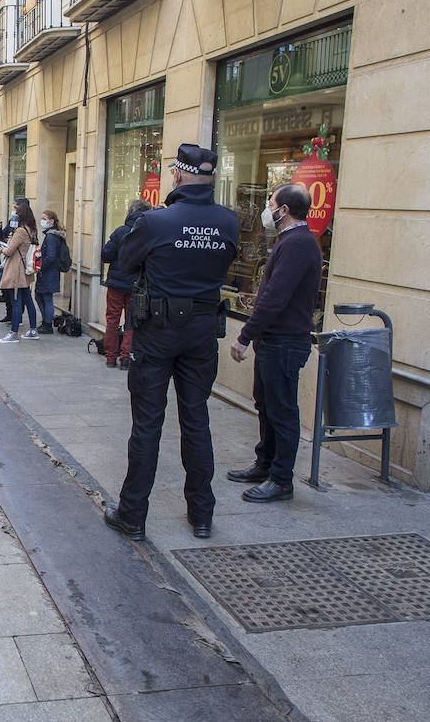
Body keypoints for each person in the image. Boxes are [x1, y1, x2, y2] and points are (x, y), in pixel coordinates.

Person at [105, 143, 239, 542]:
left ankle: (132, 515)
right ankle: (202, 515)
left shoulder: (157, 222)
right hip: (201, 331)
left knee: (147, 425)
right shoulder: (228, 222)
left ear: (177, 176)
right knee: (196, 420)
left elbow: (124, 262)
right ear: (212, 178)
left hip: (158, 331)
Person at [227, 183, 323, 503]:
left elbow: (274, 297)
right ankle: (265, 464)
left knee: (281, 411)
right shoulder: (289, 241)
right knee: (266, 406)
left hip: (284, 342)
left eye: (271, 204)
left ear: (284, 210)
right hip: (274, 341)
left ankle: (281, 479)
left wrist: (244, 335)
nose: (266, 211)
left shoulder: (298, 244)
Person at [100, 200, 150, 369]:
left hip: (116, 282)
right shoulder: (147, 234)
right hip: (136, 284)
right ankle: (126, 357)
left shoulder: (120, 232)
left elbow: (105, 255)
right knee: (131, 321)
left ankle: (110, 357)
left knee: (112, 320)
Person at [0, 198, 40, 343]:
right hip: (26, 269)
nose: (13, 213)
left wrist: (1, 248)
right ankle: (33, 330)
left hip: (17, 270)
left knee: (16, 301)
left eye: (15, 210)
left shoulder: (21, 231)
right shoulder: (31, 229)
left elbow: (9, 251)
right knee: (28, 300)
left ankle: (13, 333)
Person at [35, 209, 67, 335]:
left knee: (46, 297)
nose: (42, 221)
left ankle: (47, 324)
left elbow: (51, 256)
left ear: (51, 221)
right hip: (49, 271)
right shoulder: (53, 234)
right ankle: (46, 321)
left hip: (49, 272)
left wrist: (40, 267)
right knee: (40, 296)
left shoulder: (51, 236)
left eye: (44, 218)